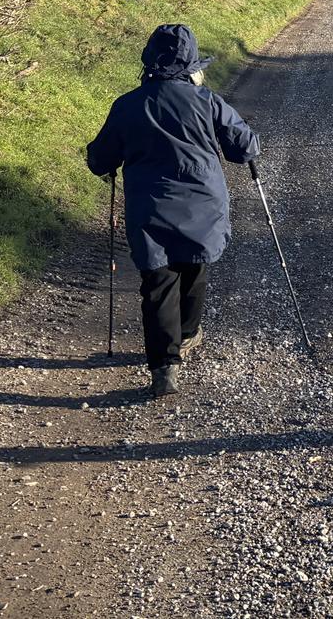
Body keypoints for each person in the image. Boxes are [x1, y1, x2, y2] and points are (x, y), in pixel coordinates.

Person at [86, 24, 260, 399]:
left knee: (158, 282)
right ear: (192, 66)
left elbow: (100, 160)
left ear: (149, 61)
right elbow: (244, 148)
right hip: (203, 205)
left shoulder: (128, 105)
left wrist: (106, 159)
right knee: (194, 267)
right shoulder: (207, 101)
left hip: (149, 208)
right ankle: (187, 334)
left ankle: (164, 367)